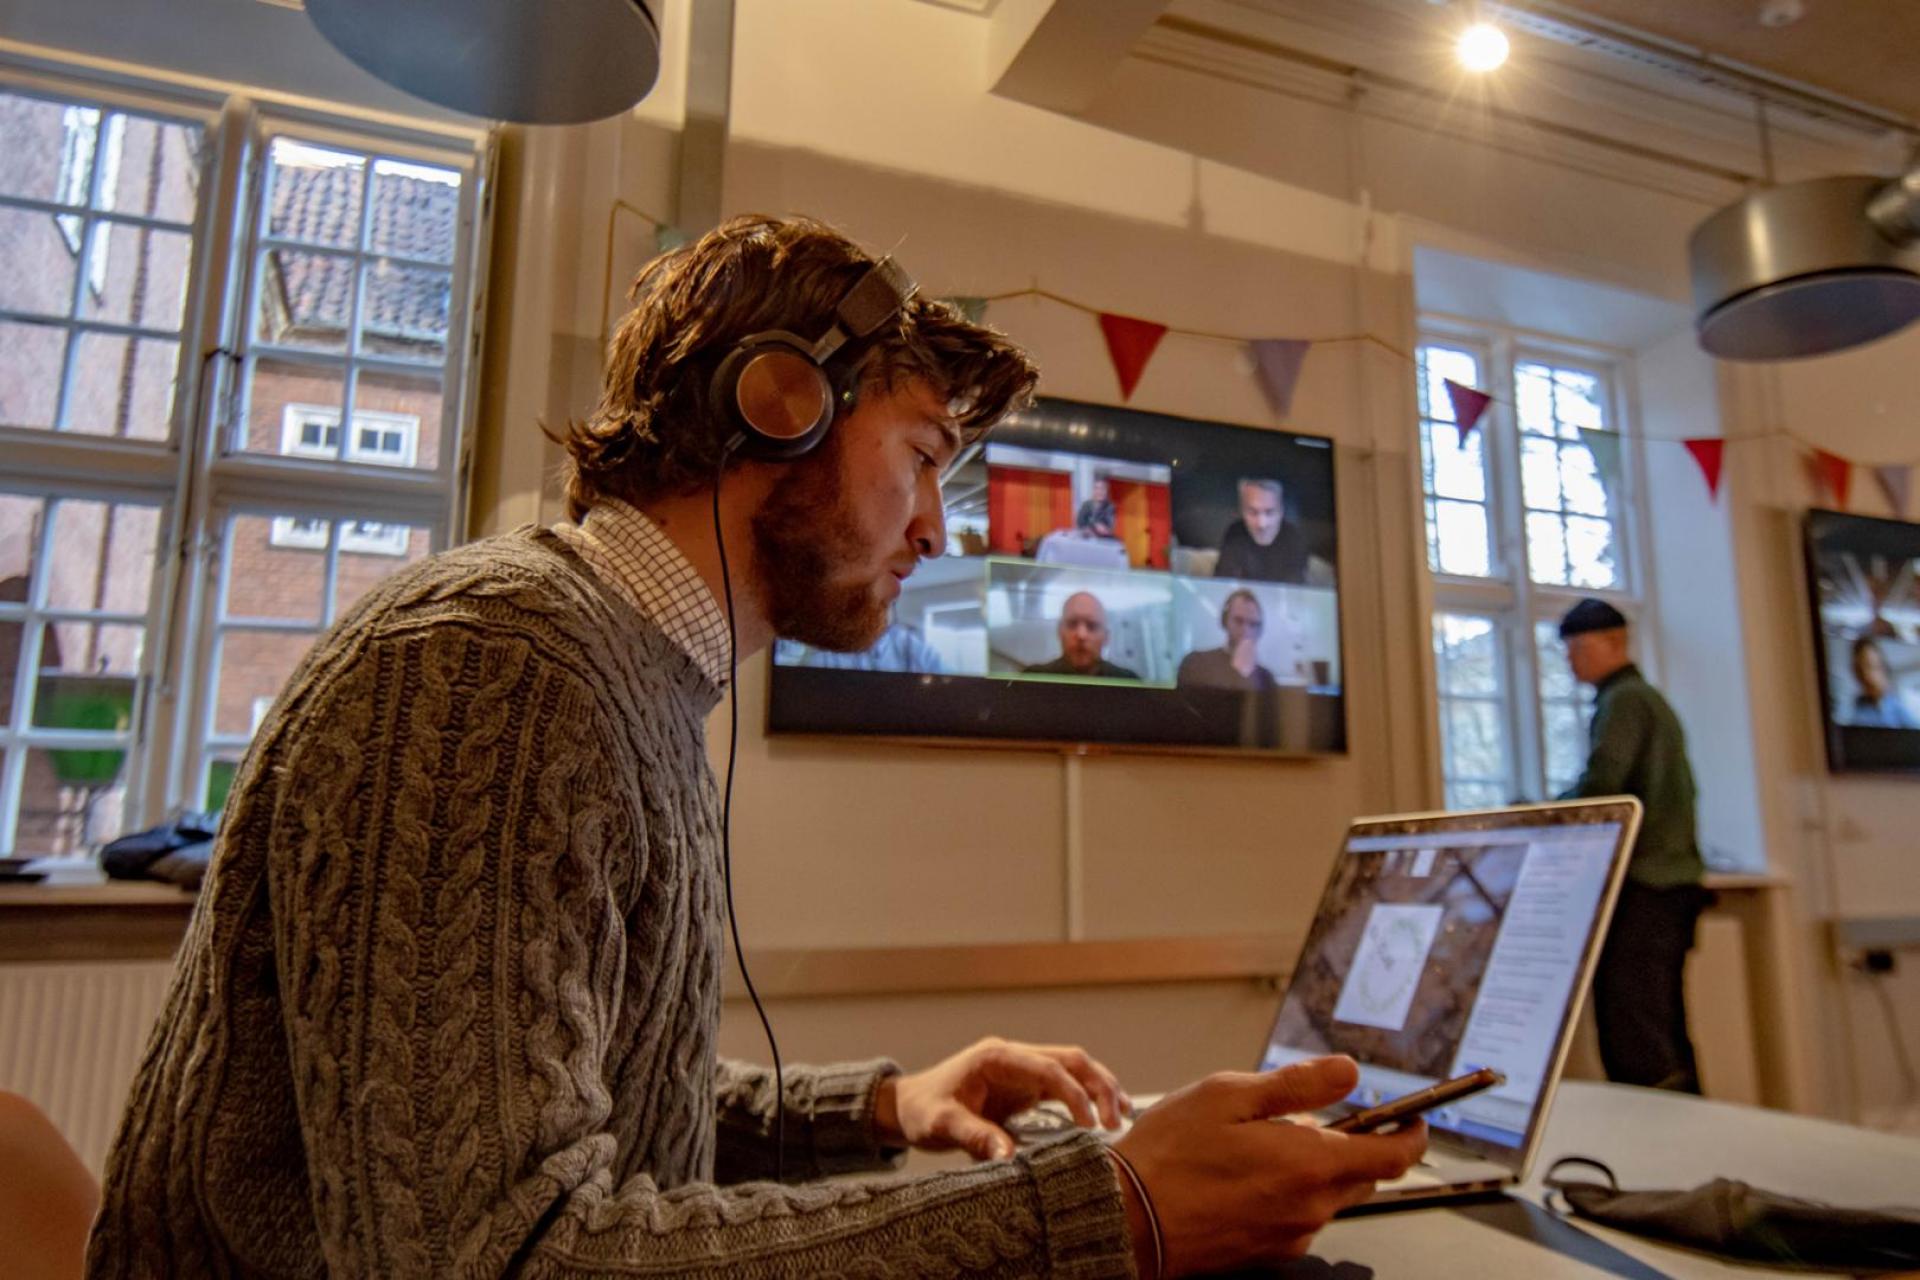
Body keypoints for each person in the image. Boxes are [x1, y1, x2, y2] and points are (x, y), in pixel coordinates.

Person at [88, 215, 1422, 1278]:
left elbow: (557, 1104)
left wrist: (877, 1108)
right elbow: (498, 1252)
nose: (940, 531)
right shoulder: (489, 670)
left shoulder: (621, 675)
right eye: (921, 455)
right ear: (780, 405)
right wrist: (1098, 1210)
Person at [1555, 598, 1709, 1095]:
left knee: (1635, 1032)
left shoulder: (1625, 702)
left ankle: (1659, 1154)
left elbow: (1605, 788)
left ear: (1615, 643)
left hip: (1644, 887)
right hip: (1669, 887)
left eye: (1579, 646)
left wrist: (1546, 811)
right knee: (1662, 1027)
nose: (1570, 659)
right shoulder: (1646, 700)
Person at [1213, 477, 1313, 585]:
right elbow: (1223, 585)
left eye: (1269, 512)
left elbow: (1293, 593)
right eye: (1253, 512)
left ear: (1281, 512)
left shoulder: (1294, 539)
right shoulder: (1234, 534)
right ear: (1242, 511)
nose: (1262, 524)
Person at [1023, 591, 1141, 679]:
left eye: (1092, 626)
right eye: (1072, 624)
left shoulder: (1128, 682)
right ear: (1059, 631)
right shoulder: (1034, 677)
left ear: (1106, 637)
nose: (1081, 635)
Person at [1177, 588, 1277, 692]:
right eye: (1239, 621)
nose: (1246, 631)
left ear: (1260, 630)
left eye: (1253, 624)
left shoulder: (1266, 678)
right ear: (1225, 622)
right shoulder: (1196, 662)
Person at [1844, 634, 1917, 728]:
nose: (1869, 676)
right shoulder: (1855, 712)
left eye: (1876, 667)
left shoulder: (1897, 707)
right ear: (1857, 672)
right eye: (1862, 669)